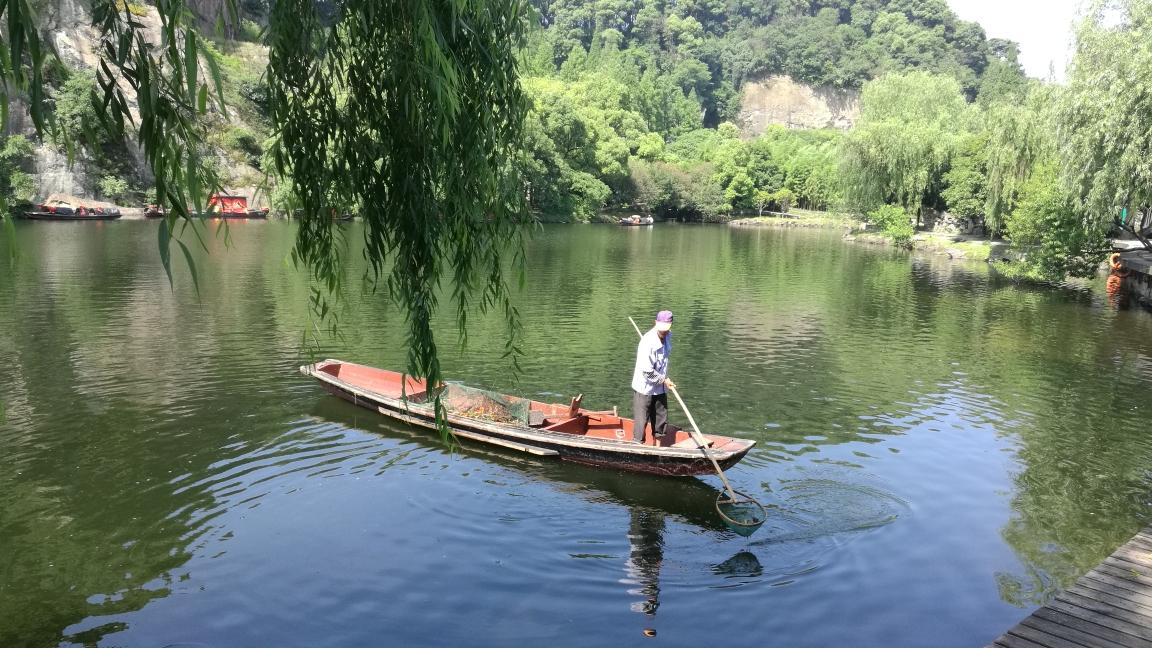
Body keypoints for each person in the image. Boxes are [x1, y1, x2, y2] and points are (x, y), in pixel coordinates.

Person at [632, 310, 675, 444]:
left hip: (660, 388)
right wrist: (664, 380)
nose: (664, 332)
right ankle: (638, 448)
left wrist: (663, 381)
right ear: (655, 323)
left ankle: (657, 449)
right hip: (644, 388)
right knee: (641, 421)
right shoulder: (647, 342)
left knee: (660, 420)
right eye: (661, 328)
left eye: (666, 329)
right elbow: (647, 371)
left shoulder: (668, 336)